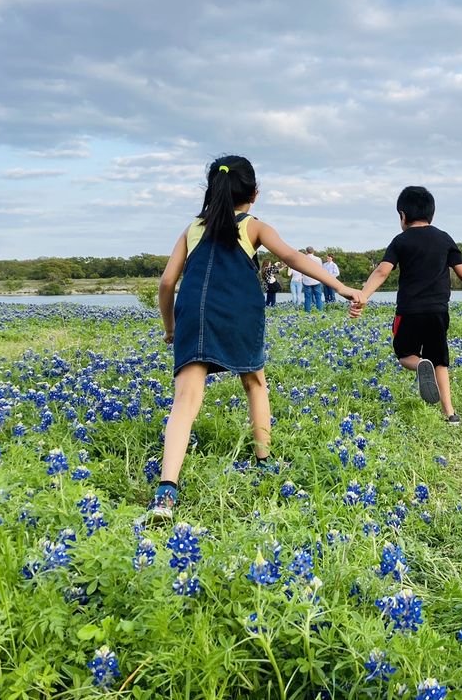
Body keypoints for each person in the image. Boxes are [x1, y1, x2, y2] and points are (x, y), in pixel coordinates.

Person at [150, 155, 361, 519]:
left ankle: (166, 491)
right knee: (254, 384)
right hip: (240, 312)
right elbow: (293, 257)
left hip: (194, 313)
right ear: (254, 193)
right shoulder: (253, 227)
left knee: (185, 399)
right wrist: (340, 286)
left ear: (212, 190)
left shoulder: (192, 229)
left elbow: (167, 283)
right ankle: (263, 459)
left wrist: (170, 327)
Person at [352, 186, 462, 424]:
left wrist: (363, 295)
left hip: (409, 310)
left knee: (405, 354)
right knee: (440, 361)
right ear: (431, 214)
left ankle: (419, 364)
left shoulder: (401, 240)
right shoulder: (444, 238)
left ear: (402, 215)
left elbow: (383, 271)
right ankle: (450, 413)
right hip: (438, 311)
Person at [301, 246, 325, 312]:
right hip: (316, 280)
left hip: (306, 281)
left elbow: (301, 269)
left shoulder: (303, 259)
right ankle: (320, 312)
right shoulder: (318, 259)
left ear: (306, 251)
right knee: (318, 298)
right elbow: (320, 269)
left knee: (307, 298)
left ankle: (307, 312)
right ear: (313, 251)